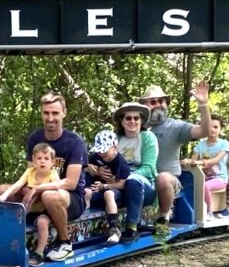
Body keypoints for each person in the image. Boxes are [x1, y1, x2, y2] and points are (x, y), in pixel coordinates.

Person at [0, 91, 88, 261]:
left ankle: (64, 243)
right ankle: (8, 242)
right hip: (38, 195)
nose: (50, 118)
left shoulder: (75, 142)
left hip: (69, 199)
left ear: (64, 113)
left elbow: (71, 183)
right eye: (46, 113)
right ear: (41, 113)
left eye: (55, 113)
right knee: (1, 190)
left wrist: (39, 188)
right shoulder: (35, 138)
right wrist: (27, 192)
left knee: (49, 195)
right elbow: (31, 173)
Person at [141, 80, 211, 226]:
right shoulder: (134, 126)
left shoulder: (175, 126)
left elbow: (205, 131)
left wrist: (203, 105)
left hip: (169, 182)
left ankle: (164, 218)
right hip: (144, 182)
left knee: (163, 178)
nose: (158, 105)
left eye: (161, 101)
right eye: (153, 102)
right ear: (144, 106)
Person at [0, 141, 62, 264]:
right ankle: (5, 246)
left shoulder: (52, 174)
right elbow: (17, 185)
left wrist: (37, 191)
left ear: (52, 162)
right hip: (30, 208)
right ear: (33, 160)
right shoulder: (29, 172)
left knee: (42, 223)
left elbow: (56, 187)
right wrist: (3, 196)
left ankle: (39, 253)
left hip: (46, 210)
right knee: (14, 217)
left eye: (46, 158)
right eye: (39, 158)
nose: (42, 161)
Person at [110, 100, 157, 238]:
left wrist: (126, 178)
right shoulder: (116, 139)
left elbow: (148, 168)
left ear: (141, 121)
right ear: (122, 121)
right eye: (128, 118)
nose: (132, 121)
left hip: (143, 185)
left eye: (136, 118)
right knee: (105, 191)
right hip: (119, 183)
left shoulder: (148, 137)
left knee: (133, 180)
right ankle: (110, 228)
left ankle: (131, 227)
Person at [85, 128, 133, 244]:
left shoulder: (120, 162)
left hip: (114, 193)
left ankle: (114, 228)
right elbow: (83, 165)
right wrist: (90, 168)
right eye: (100, 151)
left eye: (105, 151)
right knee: (86, 191)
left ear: (114, 146)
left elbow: (122, 184)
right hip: (96, 192)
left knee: (108, 194)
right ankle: (83, 213)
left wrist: (104, 186)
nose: (102, 154)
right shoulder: (96, 156)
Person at [189, 114, 229, 212]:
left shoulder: (224, 144)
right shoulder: (200, 145)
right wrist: (188, 161)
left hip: (220, 178)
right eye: (209, 127)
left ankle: (209, 212)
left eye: (216, 127)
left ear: (220, 129)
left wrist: (200, 162)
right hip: (204, 177)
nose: (212, 130)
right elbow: (193, 159)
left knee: (205, 186)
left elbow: (217, 160)